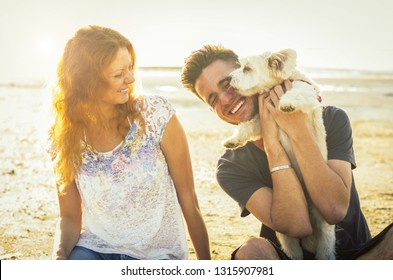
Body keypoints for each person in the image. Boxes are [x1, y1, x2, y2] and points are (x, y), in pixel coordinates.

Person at [180, 45, 393, 260]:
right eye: (213, 99)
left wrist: (298, 130)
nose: (225, 100)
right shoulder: (231, 166)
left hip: (357, 257)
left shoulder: (331, 119)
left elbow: (334, 210)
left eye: (228, 83)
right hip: (287, 260)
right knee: (250, 252)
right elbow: (297, 225)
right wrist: (272, 143)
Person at [48, 25, 210, 260]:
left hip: (158, 256)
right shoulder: (63, 137)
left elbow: (189, 199)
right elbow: (70, 217)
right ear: (87, 81)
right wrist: (60, 255)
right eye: (118, 73)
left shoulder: (156, 115)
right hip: (95, 250)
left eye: (131, 67)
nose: (131, 78)